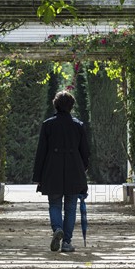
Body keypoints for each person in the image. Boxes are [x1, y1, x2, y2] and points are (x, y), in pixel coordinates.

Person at [33, 90, 90, 252]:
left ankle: (57, 228)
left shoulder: (48, 125)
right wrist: (83, 169)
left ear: (55, 105)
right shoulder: (78, 125)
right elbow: (85, 152)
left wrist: (38, 175)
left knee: (54, 204)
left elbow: (41, 152)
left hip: (52, 171)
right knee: (71, 207)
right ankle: (66, 242)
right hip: (74, 171)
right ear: (71, 106)